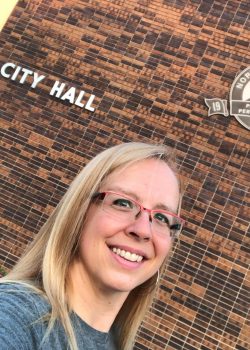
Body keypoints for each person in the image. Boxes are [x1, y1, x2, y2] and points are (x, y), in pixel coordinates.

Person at [0, 142, 184, 350]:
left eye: (161, 217)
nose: (143, 230)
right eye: (123, 203)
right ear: (78, 212)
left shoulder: (113, 342)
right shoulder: (14, 315)